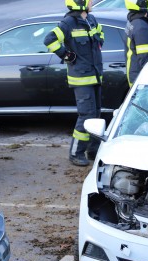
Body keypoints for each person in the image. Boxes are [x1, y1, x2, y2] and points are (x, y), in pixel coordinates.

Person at [44, 0, 104, 167]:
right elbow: (49, 40)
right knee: (86, 116)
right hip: (81, 79)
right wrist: (66, 55)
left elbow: (101, 35)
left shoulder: (91, 19)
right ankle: (75, 153)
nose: (92, 2)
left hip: (95, 76)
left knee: (96, 116)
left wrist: (99, 42)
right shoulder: (68, 22)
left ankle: (93, 151)